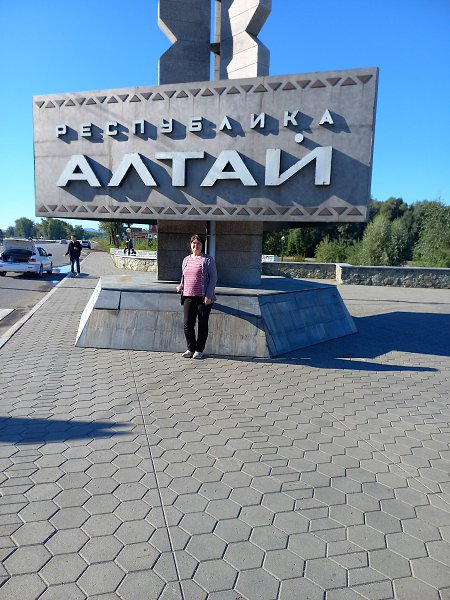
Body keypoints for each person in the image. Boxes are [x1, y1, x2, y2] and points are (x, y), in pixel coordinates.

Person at [176, 234, 217, 359]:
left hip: (203, 298)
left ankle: (199, 350)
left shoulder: (207, 260)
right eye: (194, 243)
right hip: (188, 296)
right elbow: (184, 276)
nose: (196, 245)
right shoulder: (186, 260)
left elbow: (213, 278)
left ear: (202, 245)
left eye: (198, 243)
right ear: (190, 245)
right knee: (187, 324)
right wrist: (180, 286)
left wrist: (208, 295)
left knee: (202, 324)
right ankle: (191, 348)